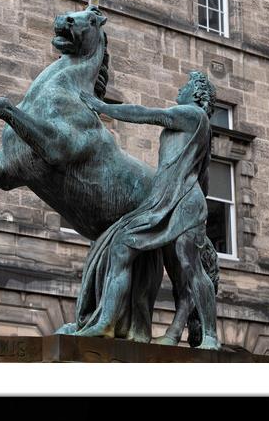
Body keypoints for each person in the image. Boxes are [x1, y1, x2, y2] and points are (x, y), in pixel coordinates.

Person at [75, 70, 220, 349]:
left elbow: (147, 114)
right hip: (164, 200)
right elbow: (205, 177)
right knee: (121, 246)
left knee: (190, 267)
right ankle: (106, 322)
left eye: (186, 86)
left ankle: (210, 337)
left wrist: (103, 107)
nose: (180, 90)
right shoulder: (197, 126)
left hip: (184, 202)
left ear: (197, 95)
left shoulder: (193, 115)